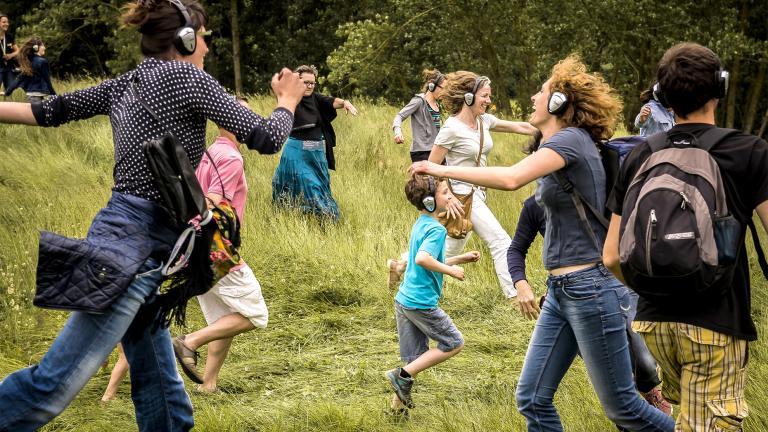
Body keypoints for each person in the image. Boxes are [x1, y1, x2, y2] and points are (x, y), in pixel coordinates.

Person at [0, 0, 305, 430]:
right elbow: (267, 136)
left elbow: (47, 111)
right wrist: (287, 101)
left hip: (140, 243)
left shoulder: (128, 82)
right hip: (132, 251)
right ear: (185, 39)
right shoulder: (187, 77)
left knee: (164, 397)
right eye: (205, 38)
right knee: (51, 388)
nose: (208, 49)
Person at [410, 55, 675, 431]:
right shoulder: (560, 145)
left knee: (624, 408)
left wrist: (437, 168)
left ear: (558, 105)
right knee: (532, 399)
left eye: (542, 91)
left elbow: (512, 179)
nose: (534, 96)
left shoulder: (570, 140)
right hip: (561, 291)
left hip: (590, 287)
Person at [604, 42, 768, 432]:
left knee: (691, 419)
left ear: (661, 95)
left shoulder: (641, 154)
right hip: (716, 320)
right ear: (720, 87)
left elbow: (611, 255)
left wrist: (656, 290)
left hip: (653, 325)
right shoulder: (747, 151)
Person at [172, 98, 269, 393]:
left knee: (223, 319)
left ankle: (209, 384)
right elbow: (213, 202)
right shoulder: (230, 158)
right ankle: (189, 342)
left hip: (197, 244)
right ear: (230, 121)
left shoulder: (210, 152)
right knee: (255, 314)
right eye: (245, 116)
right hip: (216, 247)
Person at [428, 71, 536, 299]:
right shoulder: (451, 128)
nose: (489, 101)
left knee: (447, 249)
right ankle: (515, 297)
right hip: (460, 196)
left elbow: (520, 127)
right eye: (485, 96)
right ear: (468, 97)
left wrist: (555, 127)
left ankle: (401, 265)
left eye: (489, 96)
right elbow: (432, 165)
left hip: (477, 195)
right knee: (501, 241)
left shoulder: (484, 121)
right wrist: (448, 197)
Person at [385, 174, 480, 413]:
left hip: (404, 300)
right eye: (445, 194)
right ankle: (402, 376)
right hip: (421, 303)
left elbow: (426, 260)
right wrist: (450, 271)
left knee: (414, 359)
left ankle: (397, 411)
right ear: (430, 202)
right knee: (455, 342)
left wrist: (461, 258)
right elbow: (422, 258)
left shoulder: (421, 223)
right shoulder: (437, 230)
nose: (450, 197)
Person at [272, 64, 358, 221]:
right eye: (306, 82)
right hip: (296, 152)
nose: (310, 86)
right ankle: (293, 219)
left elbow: (332, 101)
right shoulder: (289, 98)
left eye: (312, 83)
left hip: (316, 154)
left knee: (319, 186)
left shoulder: (316, 98)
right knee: (304, 186)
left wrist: (345, 102)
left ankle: (327, 221)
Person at [392, 69, 446, 162]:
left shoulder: (438, 105)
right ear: (432, 86)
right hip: (421, 152)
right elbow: (399, 116)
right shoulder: (418, 101)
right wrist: (398, 132)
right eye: (443, 88)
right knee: (425, 177)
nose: (445, 92)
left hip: (436, 150)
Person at [5, 36, 56, 102]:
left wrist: (8, 91)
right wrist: (54, 95)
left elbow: (19, 79)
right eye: (43, 46)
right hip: (38, 96)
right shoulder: (42, 62)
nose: (45, 48)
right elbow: (47, 81)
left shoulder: (28, 62)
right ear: (36, 48)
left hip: (31, 96)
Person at [0, 12, 19, 94]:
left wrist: (11, 55)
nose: (7, 24)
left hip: (9, 69)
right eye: (4, 22)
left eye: (7, 22)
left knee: (10, 91)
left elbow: (18, 51)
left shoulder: (9, 36)